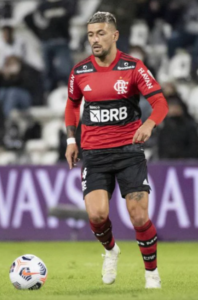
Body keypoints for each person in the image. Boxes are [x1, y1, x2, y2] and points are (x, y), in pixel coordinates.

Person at [64, 12, 168, 289]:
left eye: (100, 33)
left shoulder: (133, 67)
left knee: (139, 215)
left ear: (114, 35)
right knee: (97, 215)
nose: (94, 40)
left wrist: (149, 124)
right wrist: (71, 141)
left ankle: (152, 275)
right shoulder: (80, 71)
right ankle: (111, 250)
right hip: (95, 155)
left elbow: (160, 103)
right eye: (90, 35)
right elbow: (72, 105)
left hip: (128, 152)